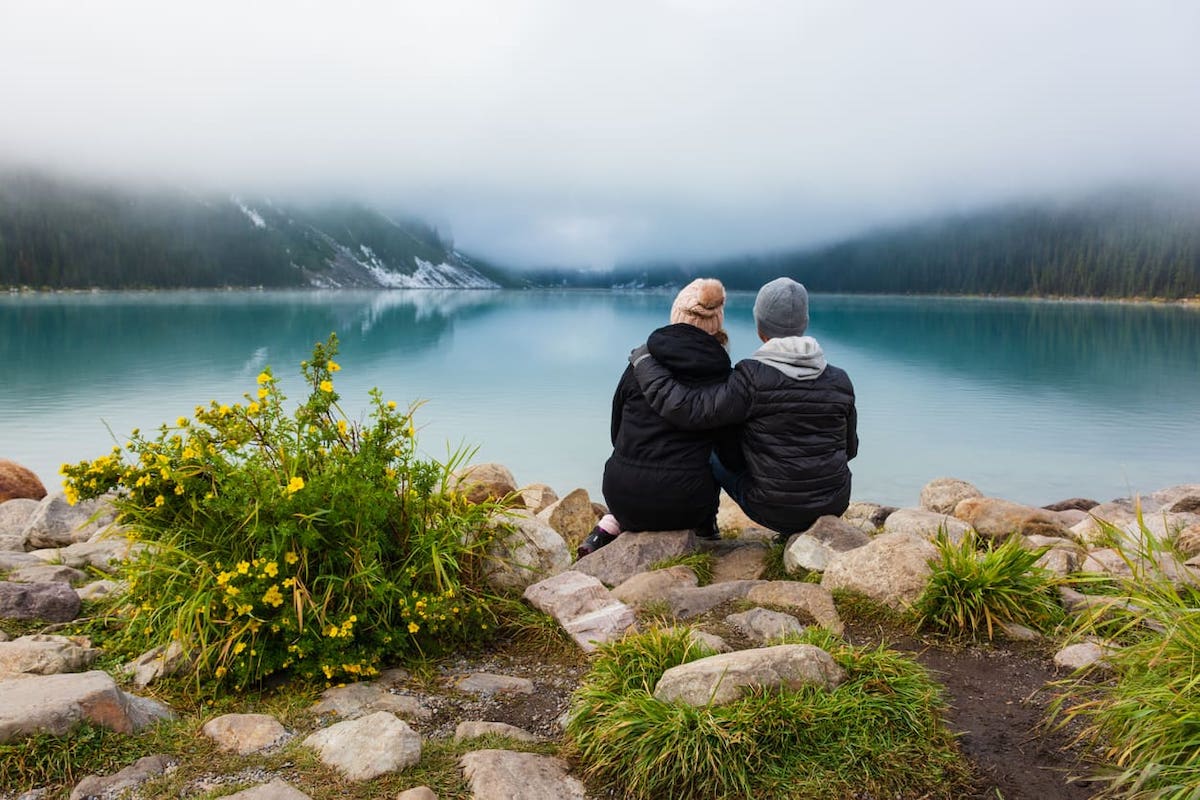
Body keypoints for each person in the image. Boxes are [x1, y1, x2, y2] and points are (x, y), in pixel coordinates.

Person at [629, 277, 857, 542]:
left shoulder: (750, 378)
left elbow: (688, 409)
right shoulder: (840, 380)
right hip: (834, 503)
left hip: (773, 510)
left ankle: (706, 528)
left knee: (713, 445)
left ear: (760, 328)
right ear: (804, 323)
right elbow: (849, 448)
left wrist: (645, 363)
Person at [578, 278, 739, 557]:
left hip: (621, 494)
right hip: (685, 507)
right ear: (716, 326)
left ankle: (610, 525)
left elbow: (617, 433)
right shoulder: (724, 378)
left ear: (675, 317)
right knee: (713, 453)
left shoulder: (639, 367)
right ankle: (705, 527)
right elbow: (730, 453)